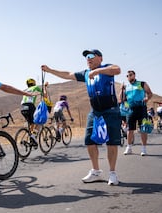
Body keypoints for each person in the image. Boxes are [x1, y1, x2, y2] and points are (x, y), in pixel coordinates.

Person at [41, 49, 121, 185]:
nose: (88, 59)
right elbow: (68, 74)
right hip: (95, 112)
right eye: (86, 57)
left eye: (91, 56)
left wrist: (97, 71)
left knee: (112, 142)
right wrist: (50, 70)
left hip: (111, 110)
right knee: (89, 141)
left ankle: (112, 173)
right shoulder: (85, 73)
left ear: (100, 58)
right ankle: (96, 171)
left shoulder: (106, 68)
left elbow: (117, 69)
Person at [119, 70, 153, 156]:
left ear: (134, 75)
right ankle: (129, 148)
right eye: (127, 76)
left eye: (130, 75)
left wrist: (147, 99)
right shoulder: (126, 87)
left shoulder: (141, 84)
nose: (129, 77)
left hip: (141, 108)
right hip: (131, 110)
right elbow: (122, 99)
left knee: (143, 128)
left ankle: (144, 149)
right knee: (130, 129)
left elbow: (150, 93)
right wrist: (121, 90)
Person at [20, 78, 48, 146]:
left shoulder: (26, 90)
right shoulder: (35, 87)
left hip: (22, 107)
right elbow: (45, 95)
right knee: (39, 121)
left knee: (32, 123)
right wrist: (44, 87)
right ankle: (32, 137)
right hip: (30, 106)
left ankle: (31, 139)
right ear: (34, 83)